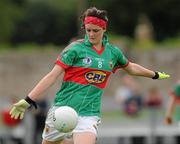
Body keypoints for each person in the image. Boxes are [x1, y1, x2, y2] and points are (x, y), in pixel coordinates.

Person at [9, 7, 170, 144]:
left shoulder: (113, 53)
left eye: (95, 31)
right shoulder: (74, 49)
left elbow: (131, 68)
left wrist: (154, 75)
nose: (91, 34)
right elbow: (52, 76)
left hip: (89, 114)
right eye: (88, 30)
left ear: (104, 29)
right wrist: (27, 100)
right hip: (62, 110)